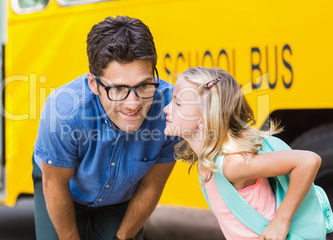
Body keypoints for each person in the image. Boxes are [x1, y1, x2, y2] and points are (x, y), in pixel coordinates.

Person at [32, 15, 181, 240]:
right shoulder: (63, 112)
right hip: (64, 189)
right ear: (94, 83)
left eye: (144, 85)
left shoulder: (172, 108)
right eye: (118, 89)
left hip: (121, 196)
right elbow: (55, 184)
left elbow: (152, 185)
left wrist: (122, 238)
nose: (133, 104)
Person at [163, 67, 322, 240]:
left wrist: (281, 221)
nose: (166, 109)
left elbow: (308, 160)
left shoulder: (232, 164)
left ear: (204, 118)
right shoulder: (207, 159)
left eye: (178, 103)